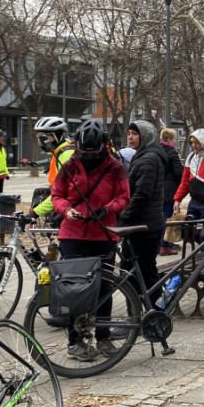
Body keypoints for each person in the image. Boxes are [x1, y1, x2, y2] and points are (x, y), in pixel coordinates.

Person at [51, 119, 130, 361]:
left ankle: (103, 337)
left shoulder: (116, 167)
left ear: (104, 147)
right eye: (83, 153)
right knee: (75, 289)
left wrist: (108, 210)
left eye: (92, 153)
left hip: (104, 233)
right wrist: (66, 210)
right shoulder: (70, 166)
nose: (87, 157)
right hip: (72, 234)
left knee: (103, 288)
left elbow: (124, 196)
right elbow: (57, 195)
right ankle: (75, 341)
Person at [119, 121, 166, 306]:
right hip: (145, 224)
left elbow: (142, 194)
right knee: (145, 270)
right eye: (129, 133)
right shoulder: (144, 155)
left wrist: (124, 215)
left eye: (134, 134)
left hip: (143, 226)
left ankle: (138, 314)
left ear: (144, 136)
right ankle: (157, 311)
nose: (130, 137)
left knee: (132, 271)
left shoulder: (149, 158)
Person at [30, 116, 76, 221]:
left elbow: (63, 192)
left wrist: (35, 213)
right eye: (39, 136)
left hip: (70, 209)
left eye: (44, 137)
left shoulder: (66, 155)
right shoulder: (58, 154)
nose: (40, 141)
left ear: (57, 136)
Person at [158, 128, 184, 255]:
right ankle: (164, 245)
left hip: (157, 188)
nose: (175, 141)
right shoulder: (172, 153)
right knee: (167, 217)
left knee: (159, 216)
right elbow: (178, 172)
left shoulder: (156, 150)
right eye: (174, 139)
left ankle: (161, 243)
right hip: (169, 189)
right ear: (168, 139)